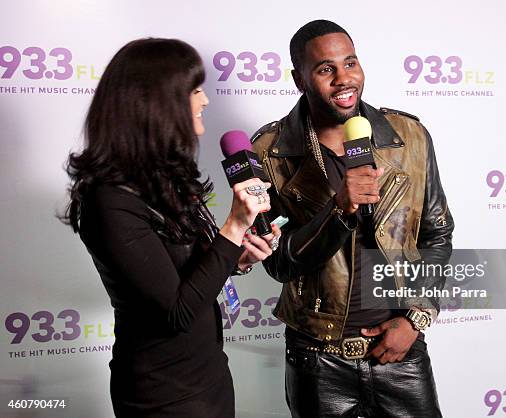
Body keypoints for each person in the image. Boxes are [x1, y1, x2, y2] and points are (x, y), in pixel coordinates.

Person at [62, 38, 280, 417]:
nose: (206, 100)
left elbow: (190, 276)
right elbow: (177, 312)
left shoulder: (167, 179)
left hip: (209, 377)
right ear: (158, 103)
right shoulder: (110, 201)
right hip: (163, 396)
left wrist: (238, 256)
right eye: (195, 89)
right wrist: (233, 225)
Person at [251, 20, 454, 417]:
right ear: (300, 79)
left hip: (400, 352)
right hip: (318, 359)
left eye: (351, 63)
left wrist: (415, 318)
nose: (344, 79)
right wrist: (337, 210)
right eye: (326, 69)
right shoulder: (268, 153)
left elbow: (437, 234)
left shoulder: (408, 136)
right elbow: (278, 262)